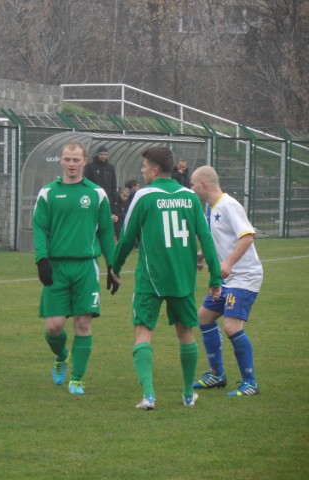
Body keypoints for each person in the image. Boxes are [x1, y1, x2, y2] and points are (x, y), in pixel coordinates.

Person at [112, 146, 222, 410]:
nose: (141, 170)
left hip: (151, 278)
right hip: (182, 278)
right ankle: (187, 394)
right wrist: (215, 277)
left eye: (144, 166)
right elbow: (206, 238)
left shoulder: (144, 196)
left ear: (155, 170)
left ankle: (149, 396)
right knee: (186, 334)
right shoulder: (190, 197)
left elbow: (127, 237)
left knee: (142, 332)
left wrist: (114, 267)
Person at [32, 141, 119, 396]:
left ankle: (77, 379)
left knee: (83, 324)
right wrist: (42, 259)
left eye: (76, 160)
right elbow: (38, 227)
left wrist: (112, 264)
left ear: (84, 162)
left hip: (85, 267)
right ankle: (61, 355)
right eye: (67, 160)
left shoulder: (96, 194)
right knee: (54, 327)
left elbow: (105, 232)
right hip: (57, 267)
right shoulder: (48, 193)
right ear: (61, 161)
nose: (71, 164)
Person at [190, 166, 262, 397]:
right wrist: (202, 255)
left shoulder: (229, 205)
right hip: (228, 279)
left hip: (244, 276)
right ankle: (217, 375)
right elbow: (221, 240)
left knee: (231, 326)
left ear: (203, 185)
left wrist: (229, 263)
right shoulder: (211, 209)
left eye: (193, 184)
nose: (191, 189)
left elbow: (247, 237)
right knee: (204, 317)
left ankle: (250, 382)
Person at [84, 145, 120, 228]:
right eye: (101, 154)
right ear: (97, 154)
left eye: (105, 154)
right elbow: (86, 182)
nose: (103, 156)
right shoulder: (90, 167)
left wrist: (114, 201)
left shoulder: (110, 168)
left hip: (107, 198)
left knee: (106, 221)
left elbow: (113, 185)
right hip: (94, 197)